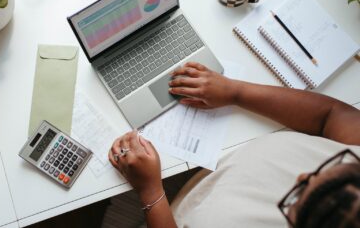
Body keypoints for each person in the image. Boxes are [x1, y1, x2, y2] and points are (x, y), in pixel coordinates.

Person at [108, 62, 360, 228]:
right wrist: (235, 92)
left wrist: (150, 192)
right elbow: (332, 115)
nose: (303, 174)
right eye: (331, 165)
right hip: (208, 173)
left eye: (298, 196)